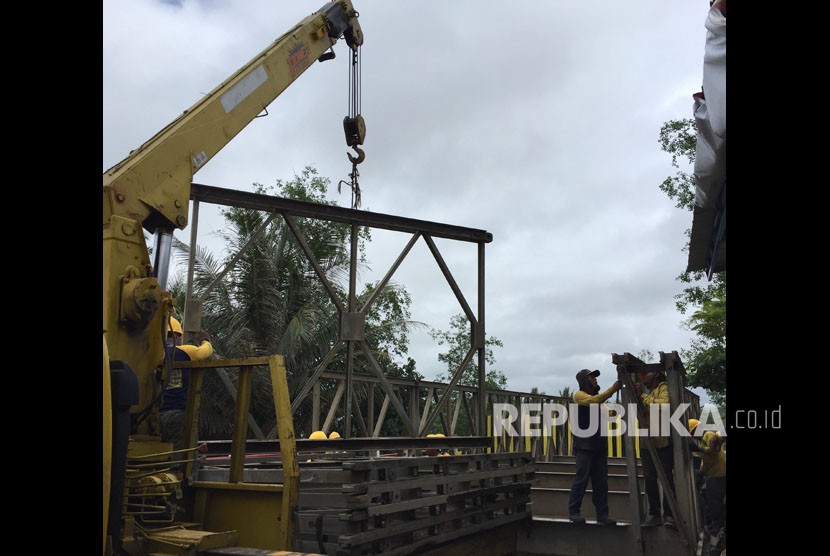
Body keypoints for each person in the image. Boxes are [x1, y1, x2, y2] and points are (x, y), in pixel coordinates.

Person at [567, 369, 622, 525]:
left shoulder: (598, 402)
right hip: (584, 446)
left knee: (601, 482)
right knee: (581, 480)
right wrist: (613, 389)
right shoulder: (579, 395)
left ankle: (602, 514)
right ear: (584, 380)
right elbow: (593, 401)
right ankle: (574, 511)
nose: (595, 380)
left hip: (598, 445)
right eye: (592, 377)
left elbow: (611, 415)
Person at [159, 316, 213, 451]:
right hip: (177, 414)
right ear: (178, 336)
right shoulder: (183, 351)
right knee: (184, 458)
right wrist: (205, 340)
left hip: (154, 416)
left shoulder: (150, 355)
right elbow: (204, 353)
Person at [635, 370, 675, 528]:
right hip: (647, 442)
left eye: (647, 374)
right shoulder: (649, 393)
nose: (643, 377)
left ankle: (670, 514)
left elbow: (663, 405)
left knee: (666, 478)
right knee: (650, 479)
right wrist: (637, 396)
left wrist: (643, 397)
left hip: (662, 442)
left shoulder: (662, 387)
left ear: (656, 375)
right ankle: (655, 514)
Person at [689, 419, 726, 538]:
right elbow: (707, 460)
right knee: (713, 500)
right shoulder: (703, 439)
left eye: (692, 432)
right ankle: (717, 525)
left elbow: (713, 454)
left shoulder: (707, 435)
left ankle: (718, 526)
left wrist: (699, 450)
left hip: (717, 473)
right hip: (715, 473)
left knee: (715, 501)